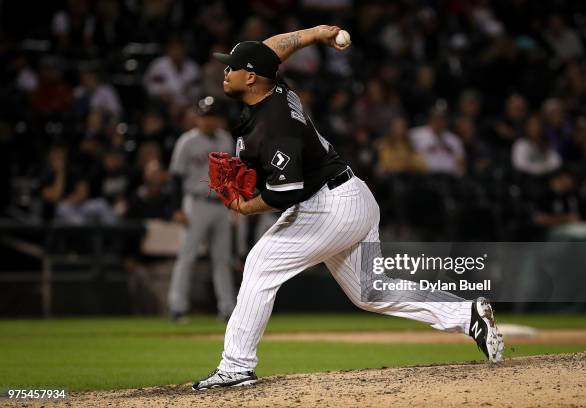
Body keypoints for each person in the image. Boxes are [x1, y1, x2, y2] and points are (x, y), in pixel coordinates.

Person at [191, 25, 504, 390]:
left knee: (260, 266)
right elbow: (272, 48)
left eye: (231, 67)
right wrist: (318, 32)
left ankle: (236, 367)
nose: (224, 72)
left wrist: (246, 209)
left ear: (250, 77)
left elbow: (286, 192)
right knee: (371, 292)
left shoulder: (274, 126)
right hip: (352, 197)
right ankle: (467, 315)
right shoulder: (270, 87)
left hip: (328, 206)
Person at [167, 97, 236, 323]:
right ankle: (178, 307)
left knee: (222, 259)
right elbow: (175, 177)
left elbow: (232, 177)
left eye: (213, 116)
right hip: (194, 203)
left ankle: (227, 309)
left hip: (221, 205)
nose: (208, 120)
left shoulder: (226, 140)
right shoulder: (187, 142)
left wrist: (235, 203)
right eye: (205, 116)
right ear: (197, 117)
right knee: (187, 256)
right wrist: (177, 207)